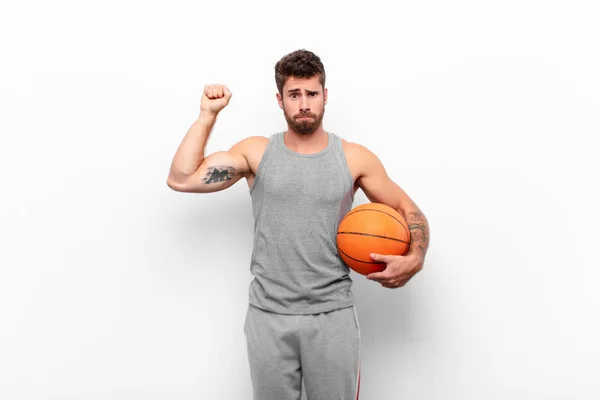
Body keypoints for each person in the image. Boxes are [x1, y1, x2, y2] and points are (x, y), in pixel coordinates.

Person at [167, 49, 430, 400]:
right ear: (280, 100)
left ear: (325, 95)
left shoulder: (353, 157)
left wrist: (415, 257)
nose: (304, 103)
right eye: (294, 95)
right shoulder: (256, 153)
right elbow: (181, 178)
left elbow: (409, 210)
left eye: (311, 93)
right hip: (268, 315)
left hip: (332, 314)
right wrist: (206, 115)